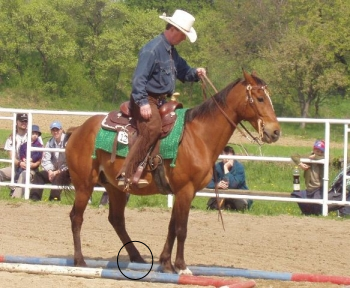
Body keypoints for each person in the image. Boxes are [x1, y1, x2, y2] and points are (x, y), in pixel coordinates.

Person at [117, 9, 206, 189]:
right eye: (183, 35)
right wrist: (142, 103)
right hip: (145, 99)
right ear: (174, 30)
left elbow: (184, 72)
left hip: (160, 101)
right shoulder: (152, 50)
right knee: (152, 128)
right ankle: (126, 174)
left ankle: (159, 169)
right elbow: (138, 80)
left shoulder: (172, 52)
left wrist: (196, 73)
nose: (183, 39)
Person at [206, 146, 253, 211]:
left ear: (233, 157)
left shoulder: (239, 168)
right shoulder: (217, 167)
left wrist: (226, 169)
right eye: (225, 157)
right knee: (212, 206)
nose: (227, 160)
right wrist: (217, 185)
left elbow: (233, 185)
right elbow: (208, 182)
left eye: (229, 157)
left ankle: (229, 206)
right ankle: (226, 206)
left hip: (238, 193)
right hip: (222, 194)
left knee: (241, 206)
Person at [30, 121, 67, 201]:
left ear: (61, 130)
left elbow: (70, 162)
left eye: (57, 130)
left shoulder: (67, 142)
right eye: (53, 130)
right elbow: (46, 159)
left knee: (58, 177)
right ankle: (34, 198)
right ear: (51, 131)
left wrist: (57, 172)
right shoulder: (50, 143)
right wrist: (50, 171)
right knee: (39, 175)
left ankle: (54, 199)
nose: (55, 132)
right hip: (53, 170)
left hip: (65, 171)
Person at [291, 139, 325, 215]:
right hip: (309, 188)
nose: (319, 153)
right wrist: (300, 163)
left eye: (321, 152)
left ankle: (316, 214)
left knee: (316, 201)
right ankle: (306, 212)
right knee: (296, 195)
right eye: (317, 151)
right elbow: (293, 155)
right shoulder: (308, 158)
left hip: (319, 189)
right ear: (314, 149)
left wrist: (315, 156)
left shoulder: (324, 160)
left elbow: (327, 159)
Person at [0, 113, 29, 196]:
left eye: (26, 121)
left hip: (30, 168)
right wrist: (20, 163)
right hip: (16, 167)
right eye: (22, 121)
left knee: (23, 175)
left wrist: (28, 164)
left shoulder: (33, 135)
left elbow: (39, 155)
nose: (24, 122)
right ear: (16, 122)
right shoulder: (11, 138)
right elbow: (12, 157)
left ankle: (15, 199)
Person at [11, 124, 43, 198]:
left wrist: (32, 159)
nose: (35, 135)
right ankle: (14, 187)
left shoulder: (39, 145)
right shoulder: (24, 145)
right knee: (18, 173)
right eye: (33, 133)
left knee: (24, 174)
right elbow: (21, 152)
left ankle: (16, 195)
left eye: (36, 134)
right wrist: (23, 159)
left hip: (33, 167)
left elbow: (38, 154)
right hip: (24, 164)